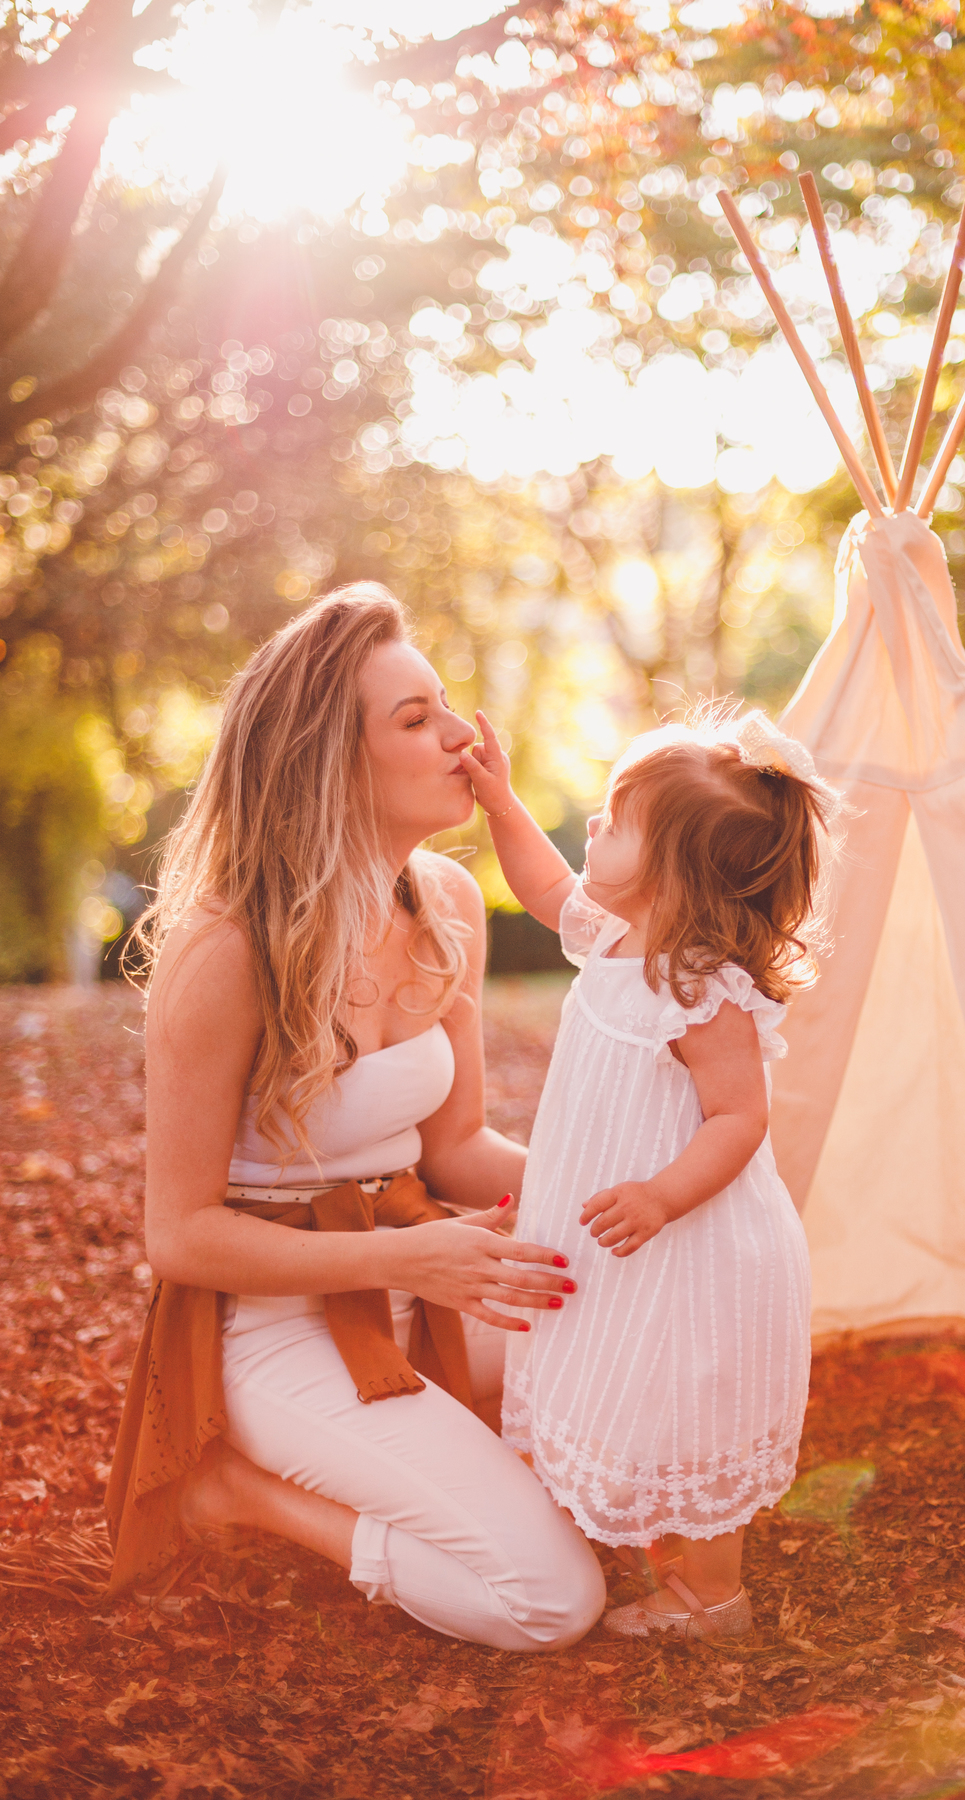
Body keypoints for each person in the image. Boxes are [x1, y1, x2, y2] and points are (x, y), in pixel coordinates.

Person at [105, 583, 606, 1652]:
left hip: (423, 1286)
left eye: (446, 707)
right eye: (416, 720)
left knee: (643, 1328)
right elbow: (179, 1236)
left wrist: (625, 1196)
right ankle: (237, 1490)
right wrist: (407, 1262)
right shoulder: (227, 951)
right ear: (331, 764)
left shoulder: (449, 907)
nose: (462, 736)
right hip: (277, 1328)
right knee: (553, 1601)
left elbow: (460, 1150)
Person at [460, 706, 842, 1639]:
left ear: (674, 868)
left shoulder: (702, 986)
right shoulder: (616, 940)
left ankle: (713, 1597)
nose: (592, 827)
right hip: (629, 1239)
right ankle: (634, 1536)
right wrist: (502, 803)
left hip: (694, 1247)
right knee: (619, 1378)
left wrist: (665, 1195)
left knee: (682, 1404)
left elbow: (740, 1118)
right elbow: (545, 884)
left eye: (617, 820)